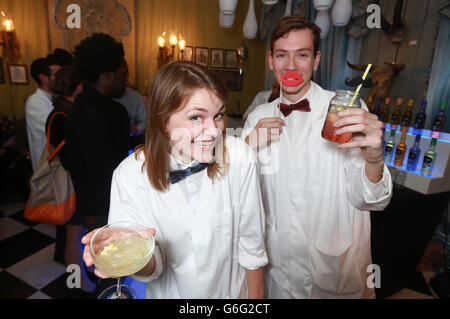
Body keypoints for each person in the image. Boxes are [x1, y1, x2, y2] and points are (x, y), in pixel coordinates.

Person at [81, 61, 268, 298]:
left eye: (218, 115)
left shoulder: (240, 156)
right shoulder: (129, 176)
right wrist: (132, 250)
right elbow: (152, 268)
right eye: (196, 118)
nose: (213, 131)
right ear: (163, 122)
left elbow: (252, 245)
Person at [242, 16, 393, 299]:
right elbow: (236, 195)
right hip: (278, 270)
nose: (290, 66)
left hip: (334, 267)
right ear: (270, 61)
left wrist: (375, 159)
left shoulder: (346, 110)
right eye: (282, 55)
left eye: (302, 55)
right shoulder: (257, 118)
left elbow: (372, 200)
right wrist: (247, 148)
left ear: (316, 60)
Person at [64, 33, 130, 290]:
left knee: (103, 268)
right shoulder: (111, 112)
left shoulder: (78, 108)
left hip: (88, 202)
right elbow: (114, 169)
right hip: (107, 205)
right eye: (123, 73)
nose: (127, 79)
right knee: (112, 271)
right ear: (108, 75)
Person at [25, 56, 61, 170]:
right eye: (56, 75)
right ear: (43, 78)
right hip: (46, 169)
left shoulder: (55, 98)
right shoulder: (34, 102)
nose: (60, 79)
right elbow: (58, 128)